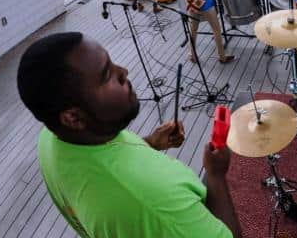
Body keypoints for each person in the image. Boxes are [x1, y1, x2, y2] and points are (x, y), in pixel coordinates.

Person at [16, 33, 241, 238]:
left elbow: (105, 159)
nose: (123, 71)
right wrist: (215, 175)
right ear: (73, 118)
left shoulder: (50, 138)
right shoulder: (154, 202)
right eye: (106, 76)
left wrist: (151, 143)